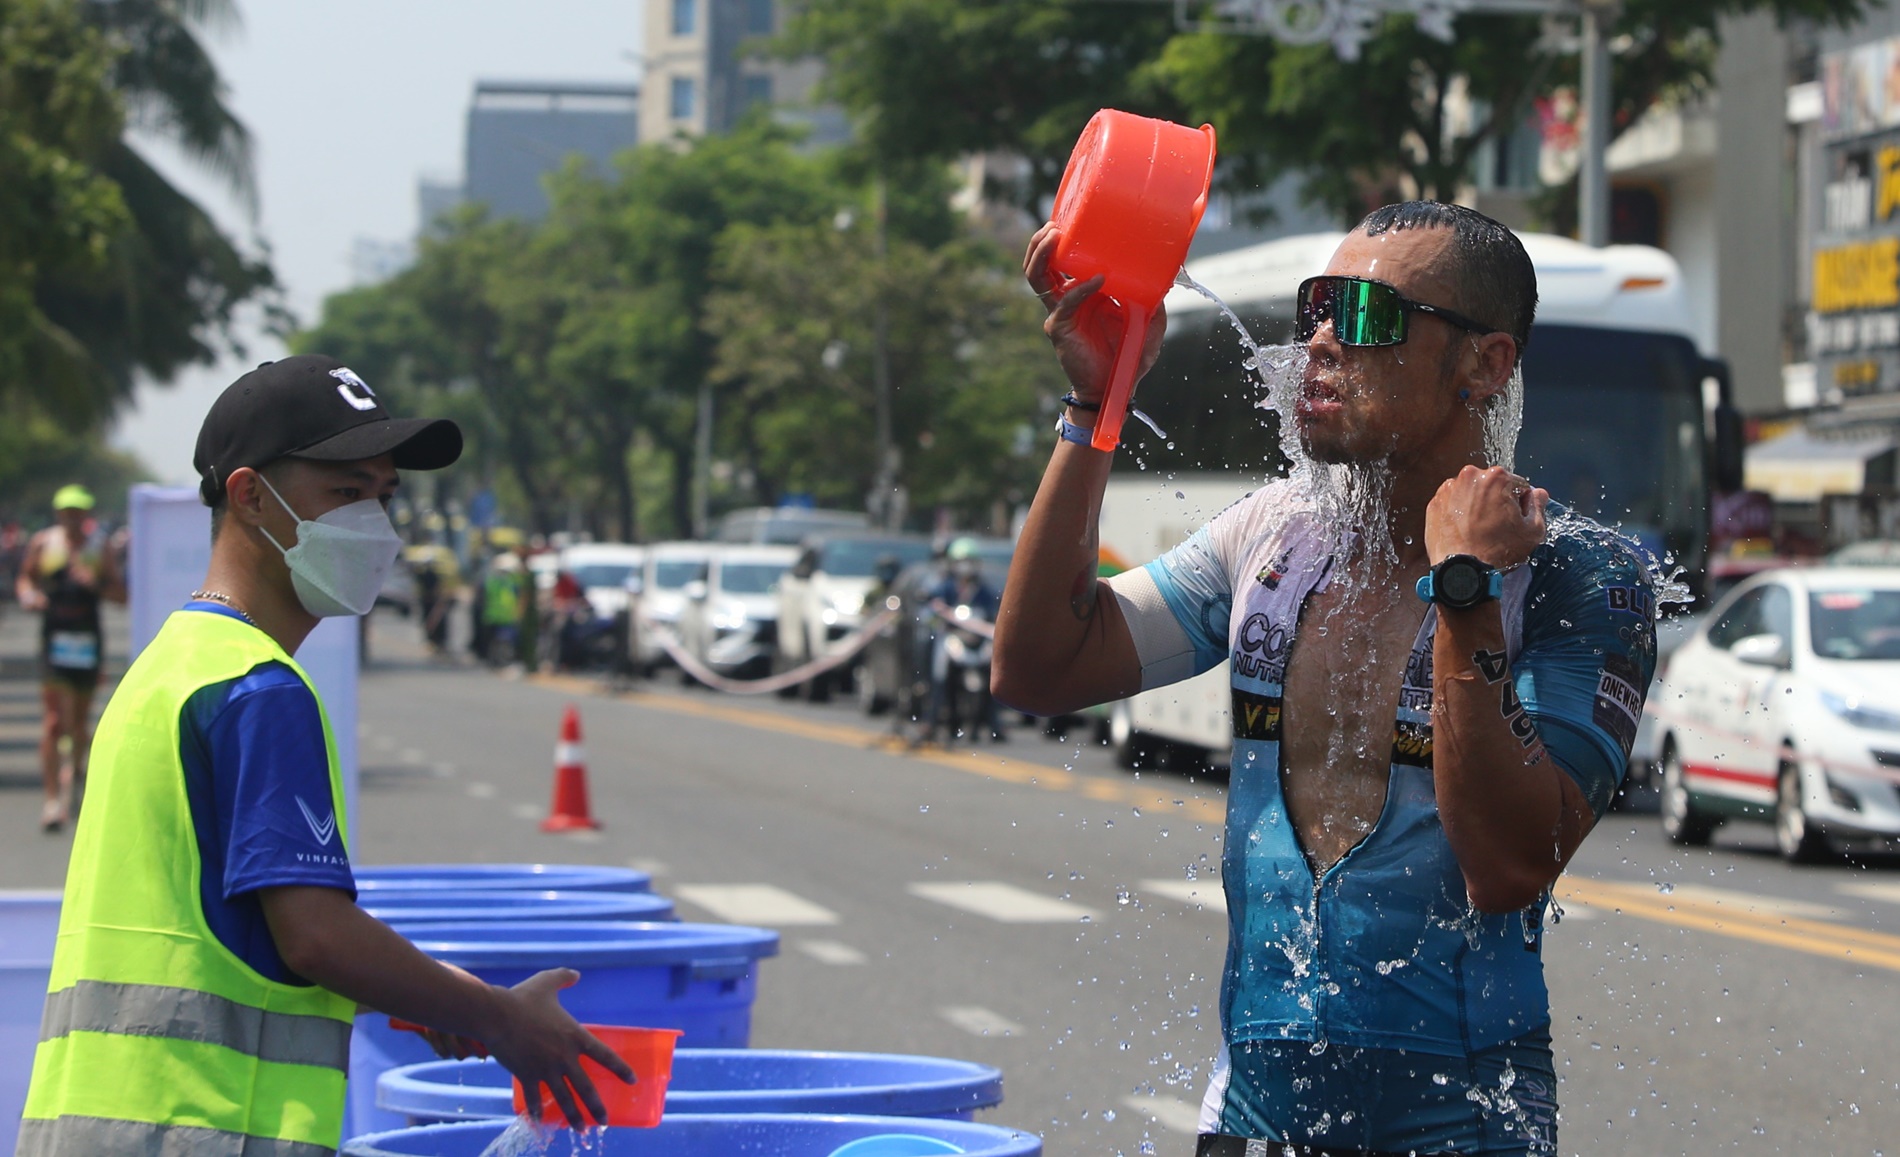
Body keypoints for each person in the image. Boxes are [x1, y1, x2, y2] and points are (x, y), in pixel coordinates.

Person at [994, 203, 1657, 1157]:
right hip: (1255, 1111)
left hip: (1464, 1121)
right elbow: (1041, 662)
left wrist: (1464, 593)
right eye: (1314, 307)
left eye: (1364, 314)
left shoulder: (1572, 576)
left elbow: (1513, 862)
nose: (1317, 340)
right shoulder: (1270, 533)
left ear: (1485, 363)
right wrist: (1097, 410)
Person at [19, 356, 631, 1156]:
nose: (375, 522)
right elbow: (313, 933)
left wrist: (435, 995)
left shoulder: (170, 663)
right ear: (249, 496)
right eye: (346, 494)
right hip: (203, 1126)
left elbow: (227, 925)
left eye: (385, 496)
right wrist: (499, 1018)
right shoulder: (259, 688)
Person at [13, 485, 124, 832]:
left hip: (87, 641)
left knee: (78, 723)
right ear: (59, 514)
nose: (73, 519)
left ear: (86, 515)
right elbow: (25, 580)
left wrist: (95, 584)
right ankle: (52, 800)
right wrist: (29, 596)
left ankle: (75, 773)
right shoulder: (45, 544)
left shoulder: (98, 549)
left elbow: (120, 595)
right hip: (54, 640)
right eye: (67, 513)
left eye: (79, 513)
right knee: (52, 721)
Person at [924, 538, 1003, 743]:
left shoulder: (984, 590)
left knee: (992, 676)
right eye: (961, 561)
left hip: (977, 642)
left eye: (969, 561)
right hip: (952, 639)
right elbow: (932, 604)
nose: (965, 566)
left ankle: (995, 724)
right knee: (940, 674)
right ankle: (932, 720)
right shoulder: (947, 587)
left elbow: (995, 608)